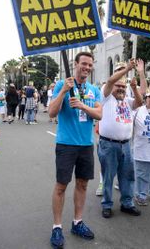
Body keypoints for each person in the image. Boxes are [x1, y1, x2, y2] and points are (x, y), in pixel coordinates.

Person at [48, 52, 102, 247]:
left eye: (90, 65)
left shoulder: (93, 90)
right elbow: (52, 112)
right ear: (76, 64)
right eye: (84, 64)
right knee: (61, 186)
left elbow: (99, 114)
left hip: (86, 145)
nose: (87, 67)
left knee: (83, 184)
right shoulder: (62, 85)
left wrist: (81, 106)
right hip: (66, 144)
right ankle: (56, 227)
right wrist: (63, 91)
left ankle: (77, 222)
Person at [98, 59, 143, 219]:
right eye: (119, 86)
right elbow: (111, 80)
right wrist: (127, 69)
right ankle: (107, 204)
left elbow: (139, 101)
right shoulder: (106, 95)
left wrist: (134, 85)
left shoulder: (127, 101)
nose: (121, 89)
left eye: (123, 87)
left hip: (126, 145)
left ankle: (127, 203)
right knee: (108, 176)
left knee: (127, 176)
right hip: (108, 144)